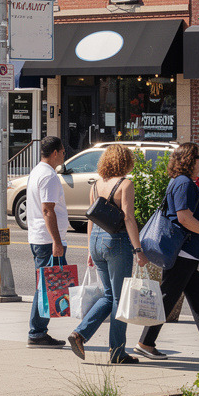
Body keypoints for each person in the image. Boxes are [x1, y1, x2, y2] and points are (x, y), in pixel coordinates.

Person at [137, 143, 199, 361]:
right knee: (167, 297)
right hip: (185, 251)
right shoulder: (184, 184)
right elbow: (183, 218)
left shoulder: (181, 182)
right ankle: (145, 342)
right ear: (189, 160)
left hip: (189, 253)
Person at [67, 144, 147, 364]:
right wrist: (138, 249)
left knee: (109, 296)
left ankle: (79, 334)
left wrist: (90, 250)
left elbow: (91, 217)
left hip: (96, 241)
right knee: (120, 300)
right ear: (126, 161)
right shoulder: (125, 184)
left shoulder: (96, 185)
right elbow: (129, 218)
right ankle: (118, 352)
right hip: (117, 242)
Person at [26, 135, 69, 348]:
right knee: (47, 287)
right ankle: (37, 332)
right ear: (54, 153)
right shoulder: (49, 176)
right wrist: (57, 242)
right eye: (62, 152)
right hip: (46, 240)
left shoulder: (36, 172)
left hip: (39, 237)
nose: (63, 155)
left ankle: (38, 331)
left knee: (47, 286)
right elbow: (47, 209)